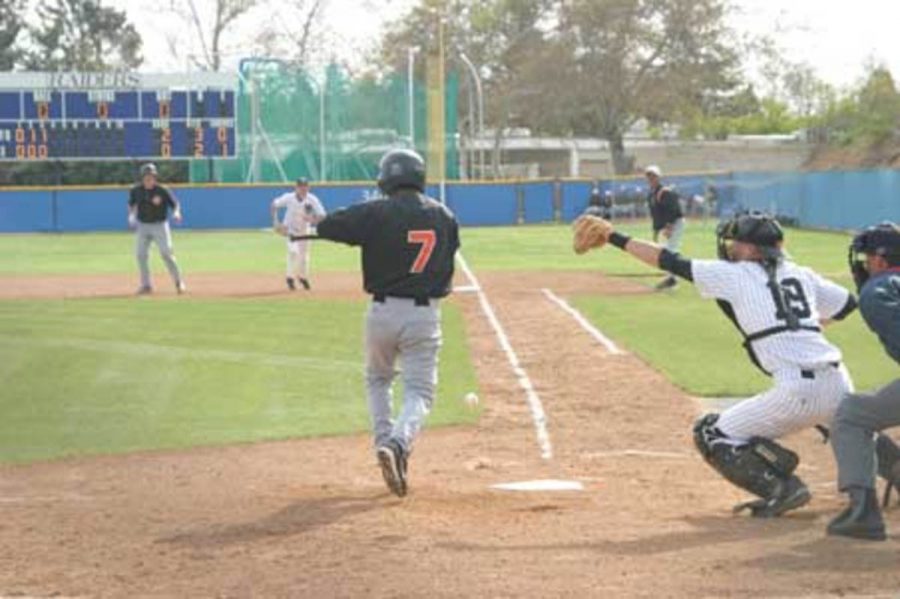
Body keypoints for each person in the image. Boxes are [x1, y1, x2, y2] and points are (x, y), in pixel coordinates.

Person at [573, 211, 858, 517]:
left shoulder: (734, 273)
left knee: (712, 433)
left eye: (736, 243)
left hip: (798, 388)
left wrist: (615, 237)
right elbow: (848, 304)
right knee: (853, 427)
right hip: (839, 379)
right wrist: (802, 328)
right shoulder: (801, 273)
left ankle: (781, 487)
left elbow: (669, 261)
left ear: (750, 249)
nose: (731, 247)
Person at [314, 149, 460, 497]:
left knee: (378, 380)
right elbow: (447, 259)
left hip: (381, 313)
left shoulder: (375, 211)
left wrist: (364, 231)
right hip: (425, 315)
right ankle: (398, 445)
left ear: (387, 179)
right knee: (420, 392)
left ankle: (386, 443)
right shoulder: (443, 215)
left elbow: (329, 225)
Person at [827, 222, 900, 541]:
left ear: (882, 261)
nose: (865, 264)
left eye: (868, 258)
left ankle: (863, 514)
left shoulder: (878, 289)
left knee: (852, 415)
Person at [128, 163, 185, 295]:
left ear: (155, 177)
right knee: (141, 255)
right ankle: (146, 285)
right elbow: (131, 204)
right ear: (142, 178)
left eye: (152, 176)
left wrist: (176, 213)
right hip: (143, 226)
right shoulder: (136, 190)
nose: (149, 179)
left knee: (166, 254)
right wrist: (131, 215)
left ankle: (178, 282)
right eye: (147, 176)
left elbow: (175, 204)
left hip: (160, 225)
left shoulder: (162, 190)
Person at [271, 178, 326, 291]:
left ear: (308, 187)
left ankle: (302, 277)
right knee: (293, 252)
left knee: (304, 257)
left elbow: (322, 215)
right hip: (290, 229)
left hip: (305, 231)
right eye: (301, 186)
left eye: (305, 186)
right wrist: (276, 221)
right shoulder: (289, 197)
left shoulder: (312, 199)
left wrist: (312, 219)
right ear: (296, 187)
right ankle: (290, 278)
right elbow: (274, 204)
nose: (303, 188)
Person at [645, 165, 685, 290]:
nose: (651, 178)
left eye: (654, 176)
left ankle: (672, 279)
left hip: (675, 223)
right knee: (667, 250)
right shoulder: (652, 194)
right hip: (666, 225)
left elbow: (673, 210)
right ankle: (673, 276)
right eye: (649, 176)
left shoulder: (664, 192)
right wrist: (656, 230)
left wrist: (669, 226)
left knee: (670, 250)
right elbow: (655, 214)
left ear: (659, 177)